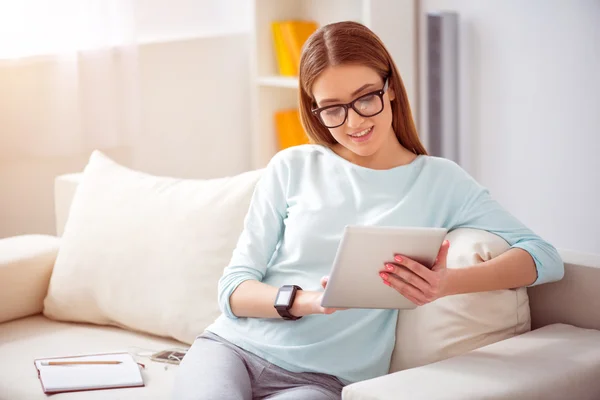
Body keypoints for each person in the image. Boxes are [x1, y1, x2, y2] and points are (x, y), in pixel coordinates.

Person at [173, 21, 564, 400]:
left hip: (322, 380)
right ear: (315, 111)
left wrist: (446, 284)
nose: (354, 121)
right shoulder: (292, 166)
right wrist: (309, 301)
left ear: (389, 88)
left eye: (365, 98)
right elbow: (234, 289)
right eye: (332, 109)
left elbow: (544, 257)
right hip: (231, 349)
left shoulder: (440, 181)